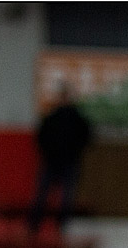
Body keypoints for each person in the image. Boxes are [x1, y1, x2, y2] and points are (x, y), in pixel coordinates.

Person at [27, 84, 92, 239]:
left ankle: (61, 226)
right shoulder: (52, 117)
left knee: (66, 197)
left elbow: (86, 137)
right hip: (51, 162)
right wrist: (48, 153)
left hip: (70, 162)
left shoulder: (78, 119)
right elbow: (41, 137)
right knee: (42, 194)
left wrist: (75, 152)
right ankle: (33, 225)